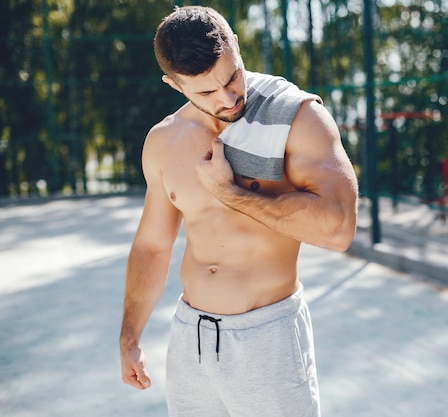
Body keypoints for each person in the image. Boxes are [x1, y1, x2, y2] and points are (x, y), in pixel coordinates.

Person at [119, 5, 358, 417]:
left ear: (236, 48)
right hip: (190, 337)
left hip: (268, 338)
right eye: (207, 92)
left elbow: (339, 228)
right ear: (174, 86)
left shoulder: (296, 117)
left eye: (232, 77)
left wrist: (233, 194)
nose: (229, 98)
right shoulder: (164, 141)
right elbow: (153, 245)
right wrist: (129, 337)